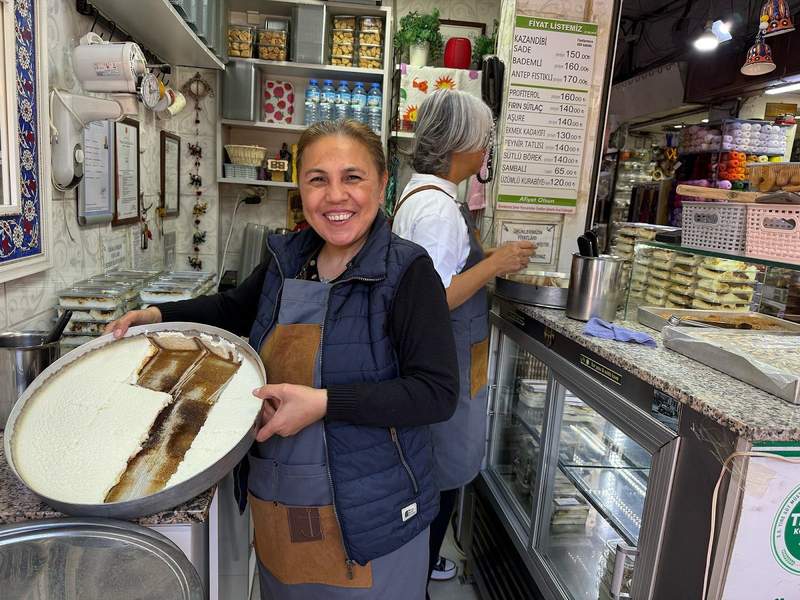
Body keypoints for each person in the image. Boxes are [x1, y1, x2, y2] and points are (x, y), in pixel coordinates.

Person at [107, 120, 459, 600]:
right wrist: (157, 314)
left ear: (381, 184)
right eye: (318, 179)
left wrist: (324, 403)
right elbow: (233, 309)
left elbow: (435, 394)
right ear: (301, 189)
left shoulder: (408, 272)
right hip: (279, 502)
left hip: (372, 514)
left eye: (352, 177)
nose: (336, 196)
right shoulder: (288, 257)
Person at [392, 90, 535, 587]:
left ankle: (420, 564)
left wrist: (485, 256)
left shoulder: (426, 195)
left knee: (436, 464)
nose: (487, 150)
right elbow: (434, 299)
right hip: (443, 362)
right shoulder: (436, 209)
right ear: (464, 145)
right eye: (485, 139)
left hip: (443, 359)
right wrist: (494, 264)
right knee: (443, 469)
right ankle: (419, 575)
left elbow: (439, 271)